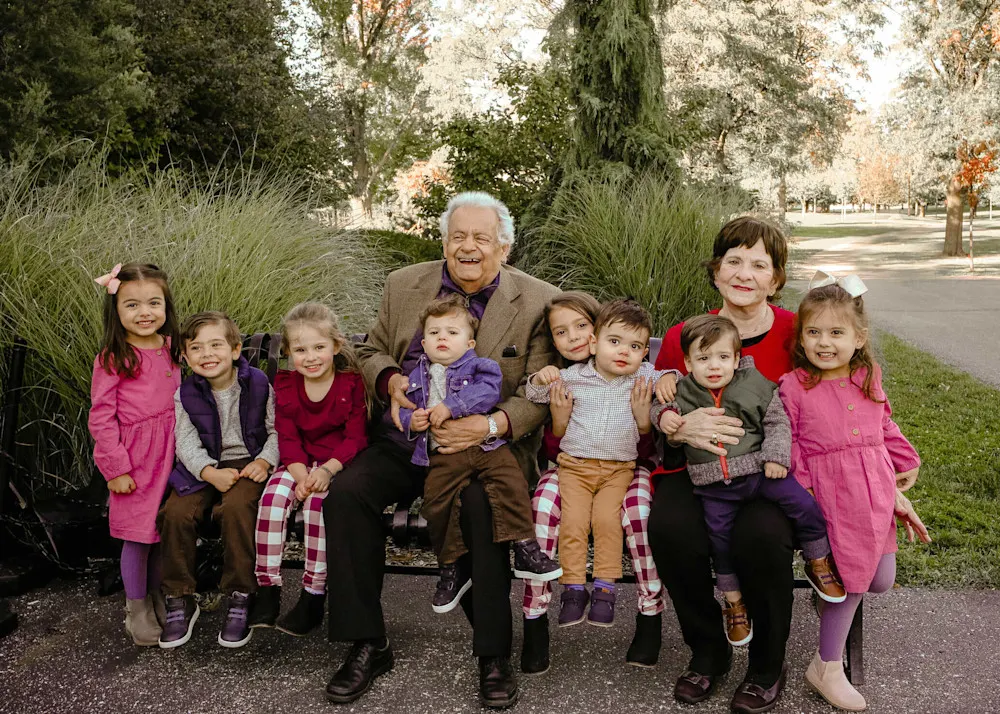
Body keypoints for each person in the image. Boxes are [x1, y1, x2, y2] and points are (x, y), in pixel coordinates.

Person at [322, 191, 559, 709]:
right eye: (458, 236)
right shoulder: (404, 284)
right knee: (346, 495)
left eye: (481, 238)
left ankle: (492, 655)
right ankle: (367, 642)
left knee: (480, 506)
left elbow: (540, 391)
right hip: (406, 438)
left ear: (505, 247)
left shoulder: (539, 300)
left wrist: (489, 424)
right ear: (445, 241)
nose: (468, 247)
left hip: (483, 449)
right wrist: (388, 381)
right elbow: (370, 349)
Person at [647, 216, 807, 712]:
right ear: (716, 271)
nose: (745, 273)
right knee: (672, 529)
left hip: (767, 470)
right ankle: (707, 652)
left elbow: (838, 391)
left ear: (776, 279)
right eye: (733, 261)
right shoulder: (684, 334)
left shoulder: (794, 333)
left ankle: (766, 663)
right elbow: (659, 404)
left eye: (760, 264)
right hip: (695, 469)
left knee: (760, 536)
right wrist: (676, 425)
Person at [779, 276, 929, 711]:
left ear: (858, 338)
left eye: (836, 333)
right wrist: (806, 493)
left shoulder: (869, 375)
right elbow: (792, 448)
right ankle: (826, 665)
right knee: (852, 581)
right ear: (802, 337)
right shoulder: (795, 386)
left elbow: (884, 424)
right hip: (831, 497)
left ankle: (825, 598)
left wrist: (906, 459)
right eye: (814, 332)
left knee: (880, 580)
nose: (824, 342)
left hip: (874, 489)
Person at [654, 314, 845, 648]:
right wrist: (668, 417)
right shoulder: (684, 390)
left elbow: (777, 422)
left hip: (759, 473)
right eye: (702, 359)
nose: (713, 366)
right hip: (712, 486)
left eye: (723, 357)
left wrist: (776, 457)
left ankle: (818, 560)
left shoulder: (753, 384)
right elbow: (659, 411)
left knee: (804, 506)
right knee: (720, 543)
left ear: (737, 359)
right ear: (687, 362)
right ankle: (734, 602)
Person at [521, 291, 665, 672]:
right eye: (614, 341)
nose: (623, 351)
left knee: (610, 519)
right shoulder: (573, 377)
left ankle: (606, 591)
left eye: (634, 345)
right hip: (574, 466)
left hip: (621, 468)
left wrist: (665, 382)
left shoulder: (641, 376)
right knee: (568, 520)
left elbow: (670, 375)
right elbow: (533, 391)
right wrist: (541, 376)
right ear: (598, 341)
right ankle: (568, 593)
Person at [399, 295, 561, 615]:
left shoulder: (479, 365)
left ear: (470, 342)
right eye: (434, 333)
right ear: (424, 342)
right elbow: (406, 413)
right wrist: (412, 421)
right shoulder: (417, 376)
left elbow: (488, 390)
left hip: (487, 447)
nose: (442, 338)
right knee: (435, 500)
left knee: (509, 481)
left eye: (451, 332)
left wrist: (451, 406)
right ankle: (450, 567)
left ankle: (526, 547)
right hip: (446, 454)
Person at [157, 311, 278, 649]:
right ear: (185, 356)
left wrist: (265, 461)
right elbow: (185, 442)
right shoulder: (185, 394)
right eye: (197, 348)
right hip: (204, 465)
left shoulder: (258, 384)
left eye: (216, 345)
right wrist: (208, 471)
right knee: (176, 513)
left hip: (248, 462)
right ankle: (179, 595)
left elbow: (277, 429)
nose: (207, 354)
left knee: (237, 509)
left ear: (236, 349)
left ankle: (240, 593)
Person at [250, 303, 368, 635]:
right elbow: (286, 435)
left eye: (319, 347)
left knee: (319, 507)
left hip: (335, 465)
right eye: (301, 350)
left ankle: (313, 592)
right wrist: (300, 475)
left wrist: (326, 472)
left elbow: (356, 437)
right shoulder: (287, 386)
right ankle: (268, 587)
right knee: (272, 502)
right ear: (288, 352)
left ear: (336, 346)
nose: (311, 356)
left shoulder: (350, 384)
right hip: (298, 462)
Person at [88, 262, 181, 646]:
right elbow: (101, 418)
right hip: (136, 459)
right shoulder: (113, 357)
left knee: (160, 530)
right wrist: (115, 469)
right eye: (132, 305)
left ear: (166, 307)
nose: (145, 313)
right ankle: (136, 607)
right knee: (138, 535)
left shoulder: (172, 347)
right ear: (116, 311)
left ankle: (158, 593)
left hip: (172, 453)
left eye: (153, 303)